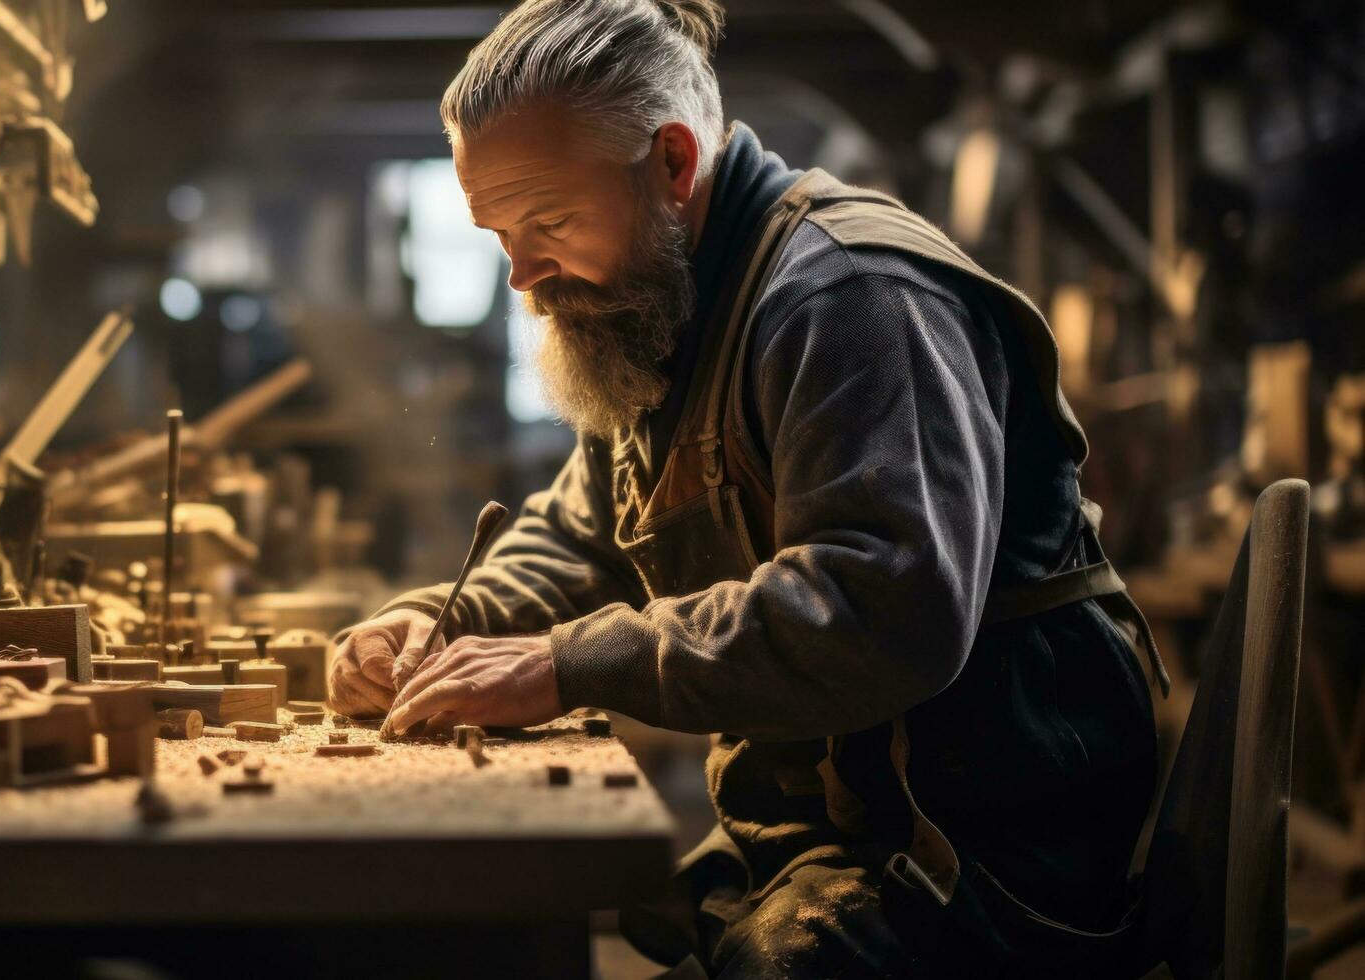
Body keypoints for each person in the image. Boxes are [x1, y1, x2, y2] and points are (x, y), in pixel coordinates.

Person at [325, 1, 1167, 974]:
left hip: (992, 845)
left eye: (547, 220)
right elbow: (578, 534)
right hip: (829, 815)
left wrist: (564, 661)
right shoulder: (655, 308)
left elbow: (879, 607)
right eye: (497, 231)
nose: (520, 274)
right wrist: (450, 620)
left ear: (673, 164)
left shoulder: (848, 297)